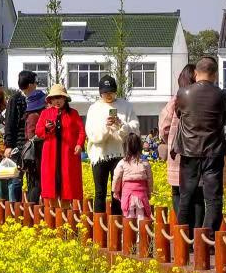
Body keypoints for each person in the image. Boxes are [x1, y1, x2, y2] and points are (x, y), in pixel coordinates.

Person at [174, 56, 226, 237]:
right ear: (215, 74)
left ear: (196, 73)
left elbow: (179, 114)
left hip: (189, 151)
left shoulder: (183, 93)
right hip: (213, 151)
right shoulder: (221, 94)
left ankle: (183, 239)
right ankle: (208, 238)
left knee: (186, 196)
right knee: (213, 198)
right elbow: (224, 119)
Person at [85, 74, 135, 215]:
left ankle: (116, 224)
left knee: (117, 192)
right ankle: (99, 225)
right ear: (100, 93)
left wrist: (121, 125)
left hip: (120, 154)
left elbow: (135, 129)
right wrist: (105, 126)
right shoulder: (94, 108)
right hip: (99, 155)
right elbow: (92, 134)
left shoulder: (126, 106)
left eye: (111, 92)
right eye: (105, 93)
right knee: (100, 192)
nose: (108, 95)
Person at [37, 84, 86, 205]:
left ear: (64, 98)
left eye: (59, 97)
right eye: (54, 98)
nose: (57, 101)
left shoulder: (73, 113)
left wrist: (79, 144)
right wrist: (46, 128)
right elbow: (38, 131)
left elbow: (81, 131)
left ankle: (65, 212)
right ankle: (53, 213)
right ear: (50, 100)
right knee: (51, 187)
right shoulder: (45, 113)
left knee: (67, 186)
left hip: (68, 154)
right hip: (50, 154)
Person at [159, 64, 197, 213]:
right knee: (197, 194)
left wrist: (169, 139)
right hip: (196, 152)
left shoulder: (174, 101)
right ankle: (196, 225)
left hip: (176, 153)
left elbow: (164, 127)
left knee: (177, 191)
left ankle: (182, 224)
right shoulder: (199, 101)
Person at [111, 130, 154, 225]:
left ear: (125, 147)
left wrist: (115, 191)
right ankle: (141, 233)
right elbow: (149, 179)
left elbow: (117, 178)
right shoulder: (145, 163)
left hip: (127, 194)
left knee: (128, 216)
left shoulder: (122, 163)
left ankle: (128, 232)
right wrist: (149, 192)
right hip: (142, 194)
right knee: (141, 216)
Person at [19, 81, 48, 203]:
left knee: (36, 183)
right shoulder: (34, 116)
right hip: (35, 154)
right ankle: (32, 208)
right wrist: (44, 132)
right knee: (35, 183)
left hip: (36, 153)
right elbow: (31, 136)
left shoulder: (34, 114)